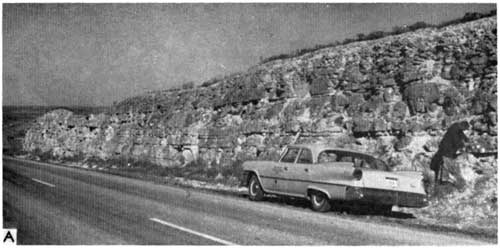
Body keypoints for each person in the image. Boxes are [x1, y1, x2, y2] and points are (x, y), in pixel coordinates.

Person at [430, 121, 470, 187]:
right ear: (462, 126)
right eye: (465, 129)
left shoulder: (456, 126)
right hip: (446, 150)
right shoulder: (454, 131)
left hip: (447, 149)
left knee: (445, 162)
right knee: (445, 164)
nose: (464, 131)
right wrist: (464, 144)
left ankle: (442, 179)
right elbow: (456, 141)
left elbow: (461, 134)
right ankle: (443, 181)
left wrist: (466, 139)